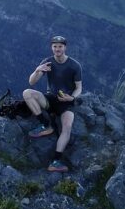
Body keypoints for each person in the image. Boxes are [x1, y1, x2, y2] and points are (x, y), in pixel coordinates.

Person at [23, 35, 83, 172]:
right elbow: (31, 82)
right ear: (51, 47)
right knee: (27, 93)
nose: (57, 49)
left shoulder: (74, 65)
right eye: (55, 46)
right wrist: (38, 70)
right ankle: (45, 125)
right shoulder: (47, 62)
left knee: (67, 127)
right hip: (50, 98)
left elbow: (79, 87)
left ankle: (55, 161)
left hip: (66, 102)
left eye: (60, 46)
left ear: (65, 48)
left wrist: (72, 98)